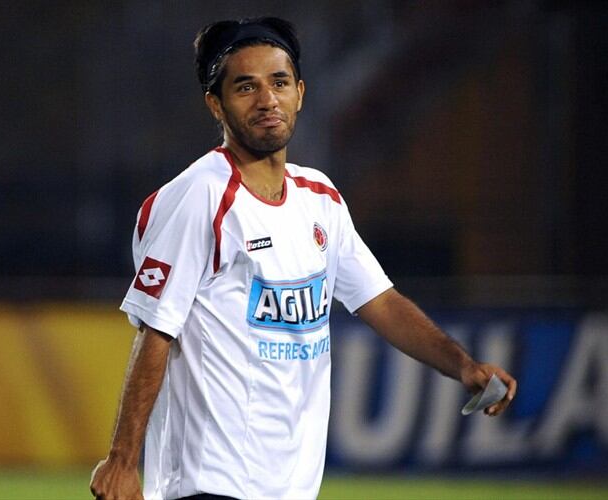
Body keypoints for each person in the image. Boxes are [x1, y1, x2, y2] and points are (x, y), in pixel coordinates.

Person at [90, 17, 517, 500]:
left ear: (300, 92)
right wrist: (123, 461)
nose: (267, 100)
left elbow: (381, 302)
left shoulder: (320, 199)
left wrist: (462, 366)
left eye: (278, 82)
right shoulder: (199, 198)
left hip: (291, 486)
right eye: (245, 87)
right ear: (216, 104)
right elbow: (156, 330)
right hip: (211, 480)